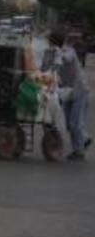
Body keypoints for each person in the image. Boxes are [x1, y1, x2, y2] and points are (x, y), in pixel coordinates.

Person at [41, 28, 89, 160]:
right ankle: (83, 139)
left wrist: (57, 52)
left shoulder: (68, 51)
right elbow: (45, 68)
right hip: (67, 90)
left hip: (79, 89)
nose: (47, 44)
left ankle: (79, 151)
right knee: (68, 123)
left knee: (74, 123)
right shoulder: (51, 52)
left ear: (54, 42)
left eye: (49, 41)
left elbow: (66, 59)